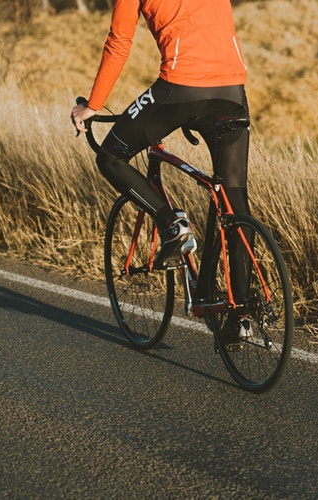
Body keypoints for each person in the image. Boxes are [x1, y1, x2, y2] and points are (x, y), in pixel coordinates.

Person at [71, 0, 252, 348]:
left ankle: (171, 223)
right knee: (233, 195)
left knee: (110, 157)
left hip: (180, 87)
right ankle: (240, 312)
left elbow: (119, 40)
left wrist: (93, 105)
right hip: (233, 88)